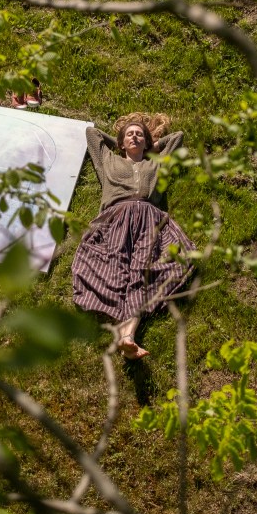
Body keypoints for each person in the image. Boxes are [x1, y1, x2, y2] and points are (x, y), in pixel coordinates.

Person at [71, 113, 195, 359]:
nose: (135, 137)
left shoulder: (157, 164)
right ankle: (125, 336)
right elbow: (92, 134)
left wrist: (152, 147)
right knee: (115, 269)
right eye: (129, 134)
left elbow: (177, 137)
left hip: (150, 220)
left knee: (142, 272)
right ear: (121, 142)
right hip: (115, 218)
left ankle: (128, 337)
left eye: (139, 134)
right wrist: (119, 143)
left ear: (146, 142)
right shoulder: (108, 161)